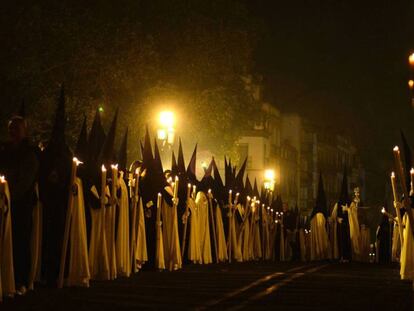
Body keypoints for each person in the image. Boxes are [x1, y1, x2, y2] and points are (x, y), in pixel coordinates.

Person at [0, 116, 39, 295]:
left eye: (16, 128)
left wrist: (10, 196)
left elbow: (25, 181)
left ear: (24, 131)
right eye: (10, 128)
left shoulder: (29, 154)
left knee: (20, 242)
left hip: (20, 205)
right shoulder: (5, 151)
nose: (12, 132)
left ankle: (21, 280)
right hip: (3, 204)